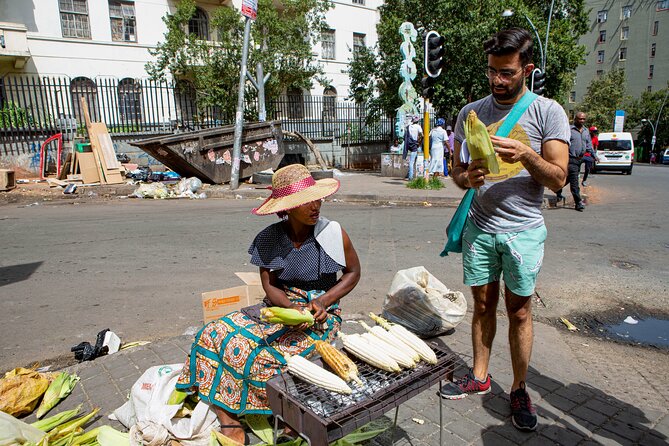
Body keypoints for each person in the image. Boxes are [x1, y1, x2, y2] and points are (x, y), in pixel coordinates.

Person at [441, 28, 569, 433]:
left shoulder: (548, 112)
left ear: (527, 69)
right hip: (481, 226)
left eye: (507, 73)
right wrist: (468, 178)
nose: (498, 80)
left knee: (519, 312)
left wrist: (528, 155)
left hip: (523, 231)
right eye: (493, 72)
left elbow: (559, 178)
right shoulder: (469, 113)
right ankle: (480, 376)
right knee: (481, 306)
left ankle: (518, 388)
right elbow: (456, 172)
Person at [175, 164, 361, 443]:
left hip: (321, 311)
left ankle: (288, 417)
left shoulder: (333, 233)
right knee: (212, 335)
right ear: (289, 206)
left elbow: (353, 273)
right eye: (306, 201)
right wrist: (290, 309)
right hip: (281, 305)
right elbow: (270, 285)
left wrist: (322, 301)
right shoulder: (269, 238)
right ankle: (229, 417)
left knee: (269, 356)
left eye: (318, 198)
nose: (316, 206)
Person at [556, 112, 591, 211]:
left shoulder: (585, 131)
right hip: (570, 158)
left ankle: (557, 188)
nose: (582, 121)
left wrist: (593, 154)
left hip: (580, 159)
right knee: (574, 181)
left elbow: (588, 144)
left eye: (583, 119)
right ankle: (578, 202)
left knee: (569, 178)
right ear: (575, 119)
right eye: (580, 119)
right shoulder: (569, 130)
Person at [402, 115, 423, 180]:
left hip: (409, 145)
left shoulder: (409, 127)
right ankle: (411, 177)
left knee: (413, 161)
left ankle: (409, 174)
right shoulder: (418, 127)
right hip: (415, 145)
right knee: (413, 161)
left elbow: (404, 137)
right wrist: (419, 143)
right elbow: (422, 135)